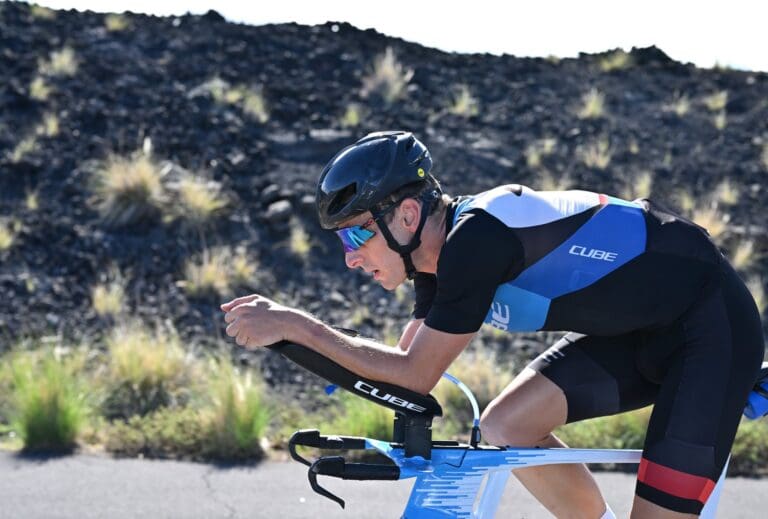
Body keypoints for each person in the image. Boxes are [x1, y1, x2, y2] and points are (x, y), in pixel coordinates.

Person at [221, 131, 765, 519]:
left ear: (406, 217)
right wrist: (292, 339)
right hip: (640, 334)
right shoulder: (433, 266)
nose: (350, 257)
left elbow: (414, 375)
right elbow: (399, 380)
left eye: (356, 235)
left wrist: (299, 325)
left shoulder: (475, 242)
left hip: (710, 330)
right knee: (506, 429)